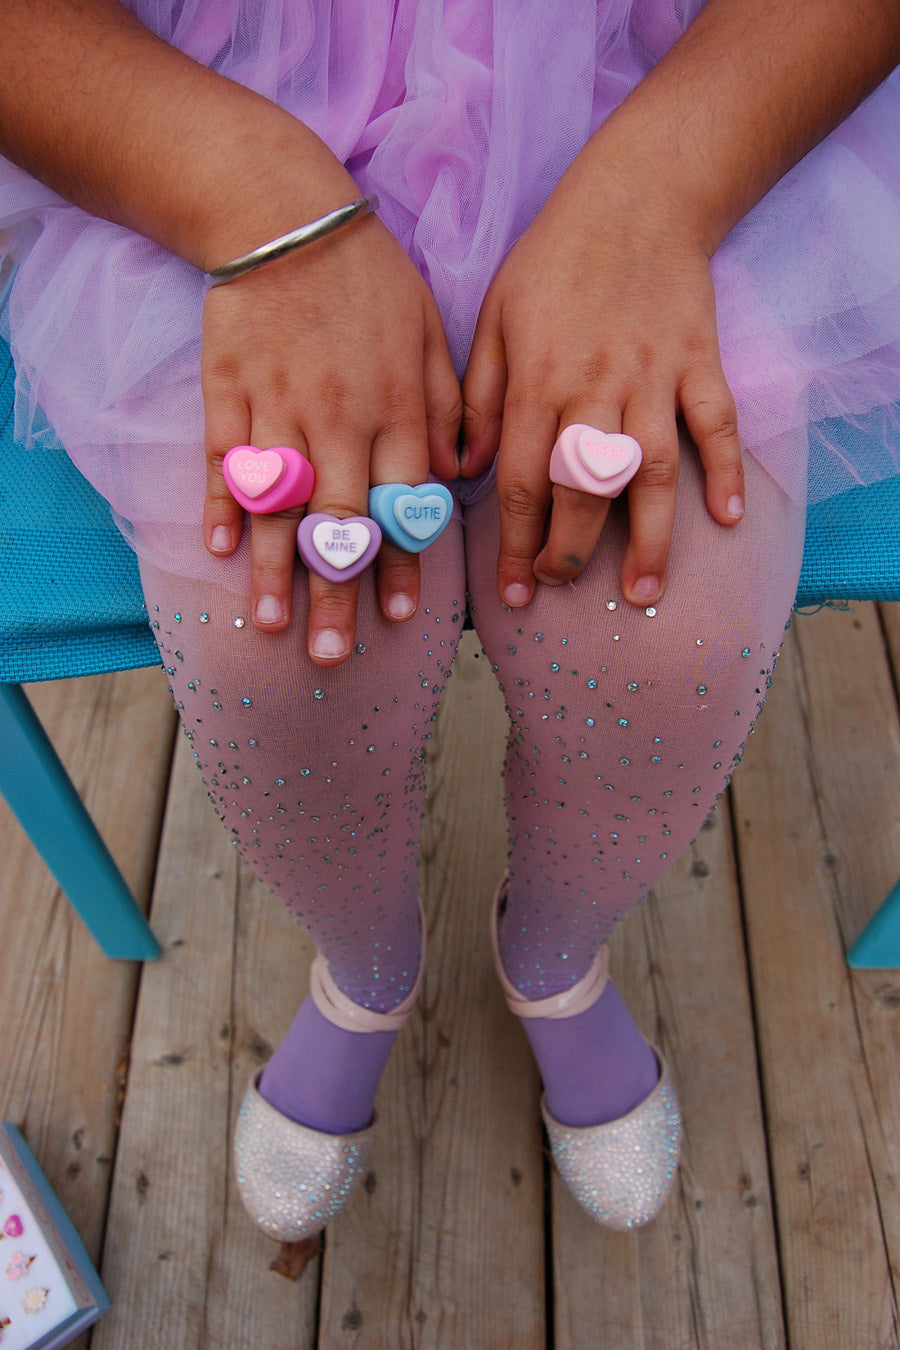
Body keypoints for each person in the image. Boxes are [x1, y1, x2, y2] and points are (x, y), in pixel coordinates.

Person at [1, 0, 899, 1240]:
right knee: (279, 643)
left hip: (669, 87)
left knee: (663, 637)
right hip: (204, 102)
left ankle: (554, 958)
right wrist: (267, 214)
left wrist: (657, 196)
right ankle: (366, 973)